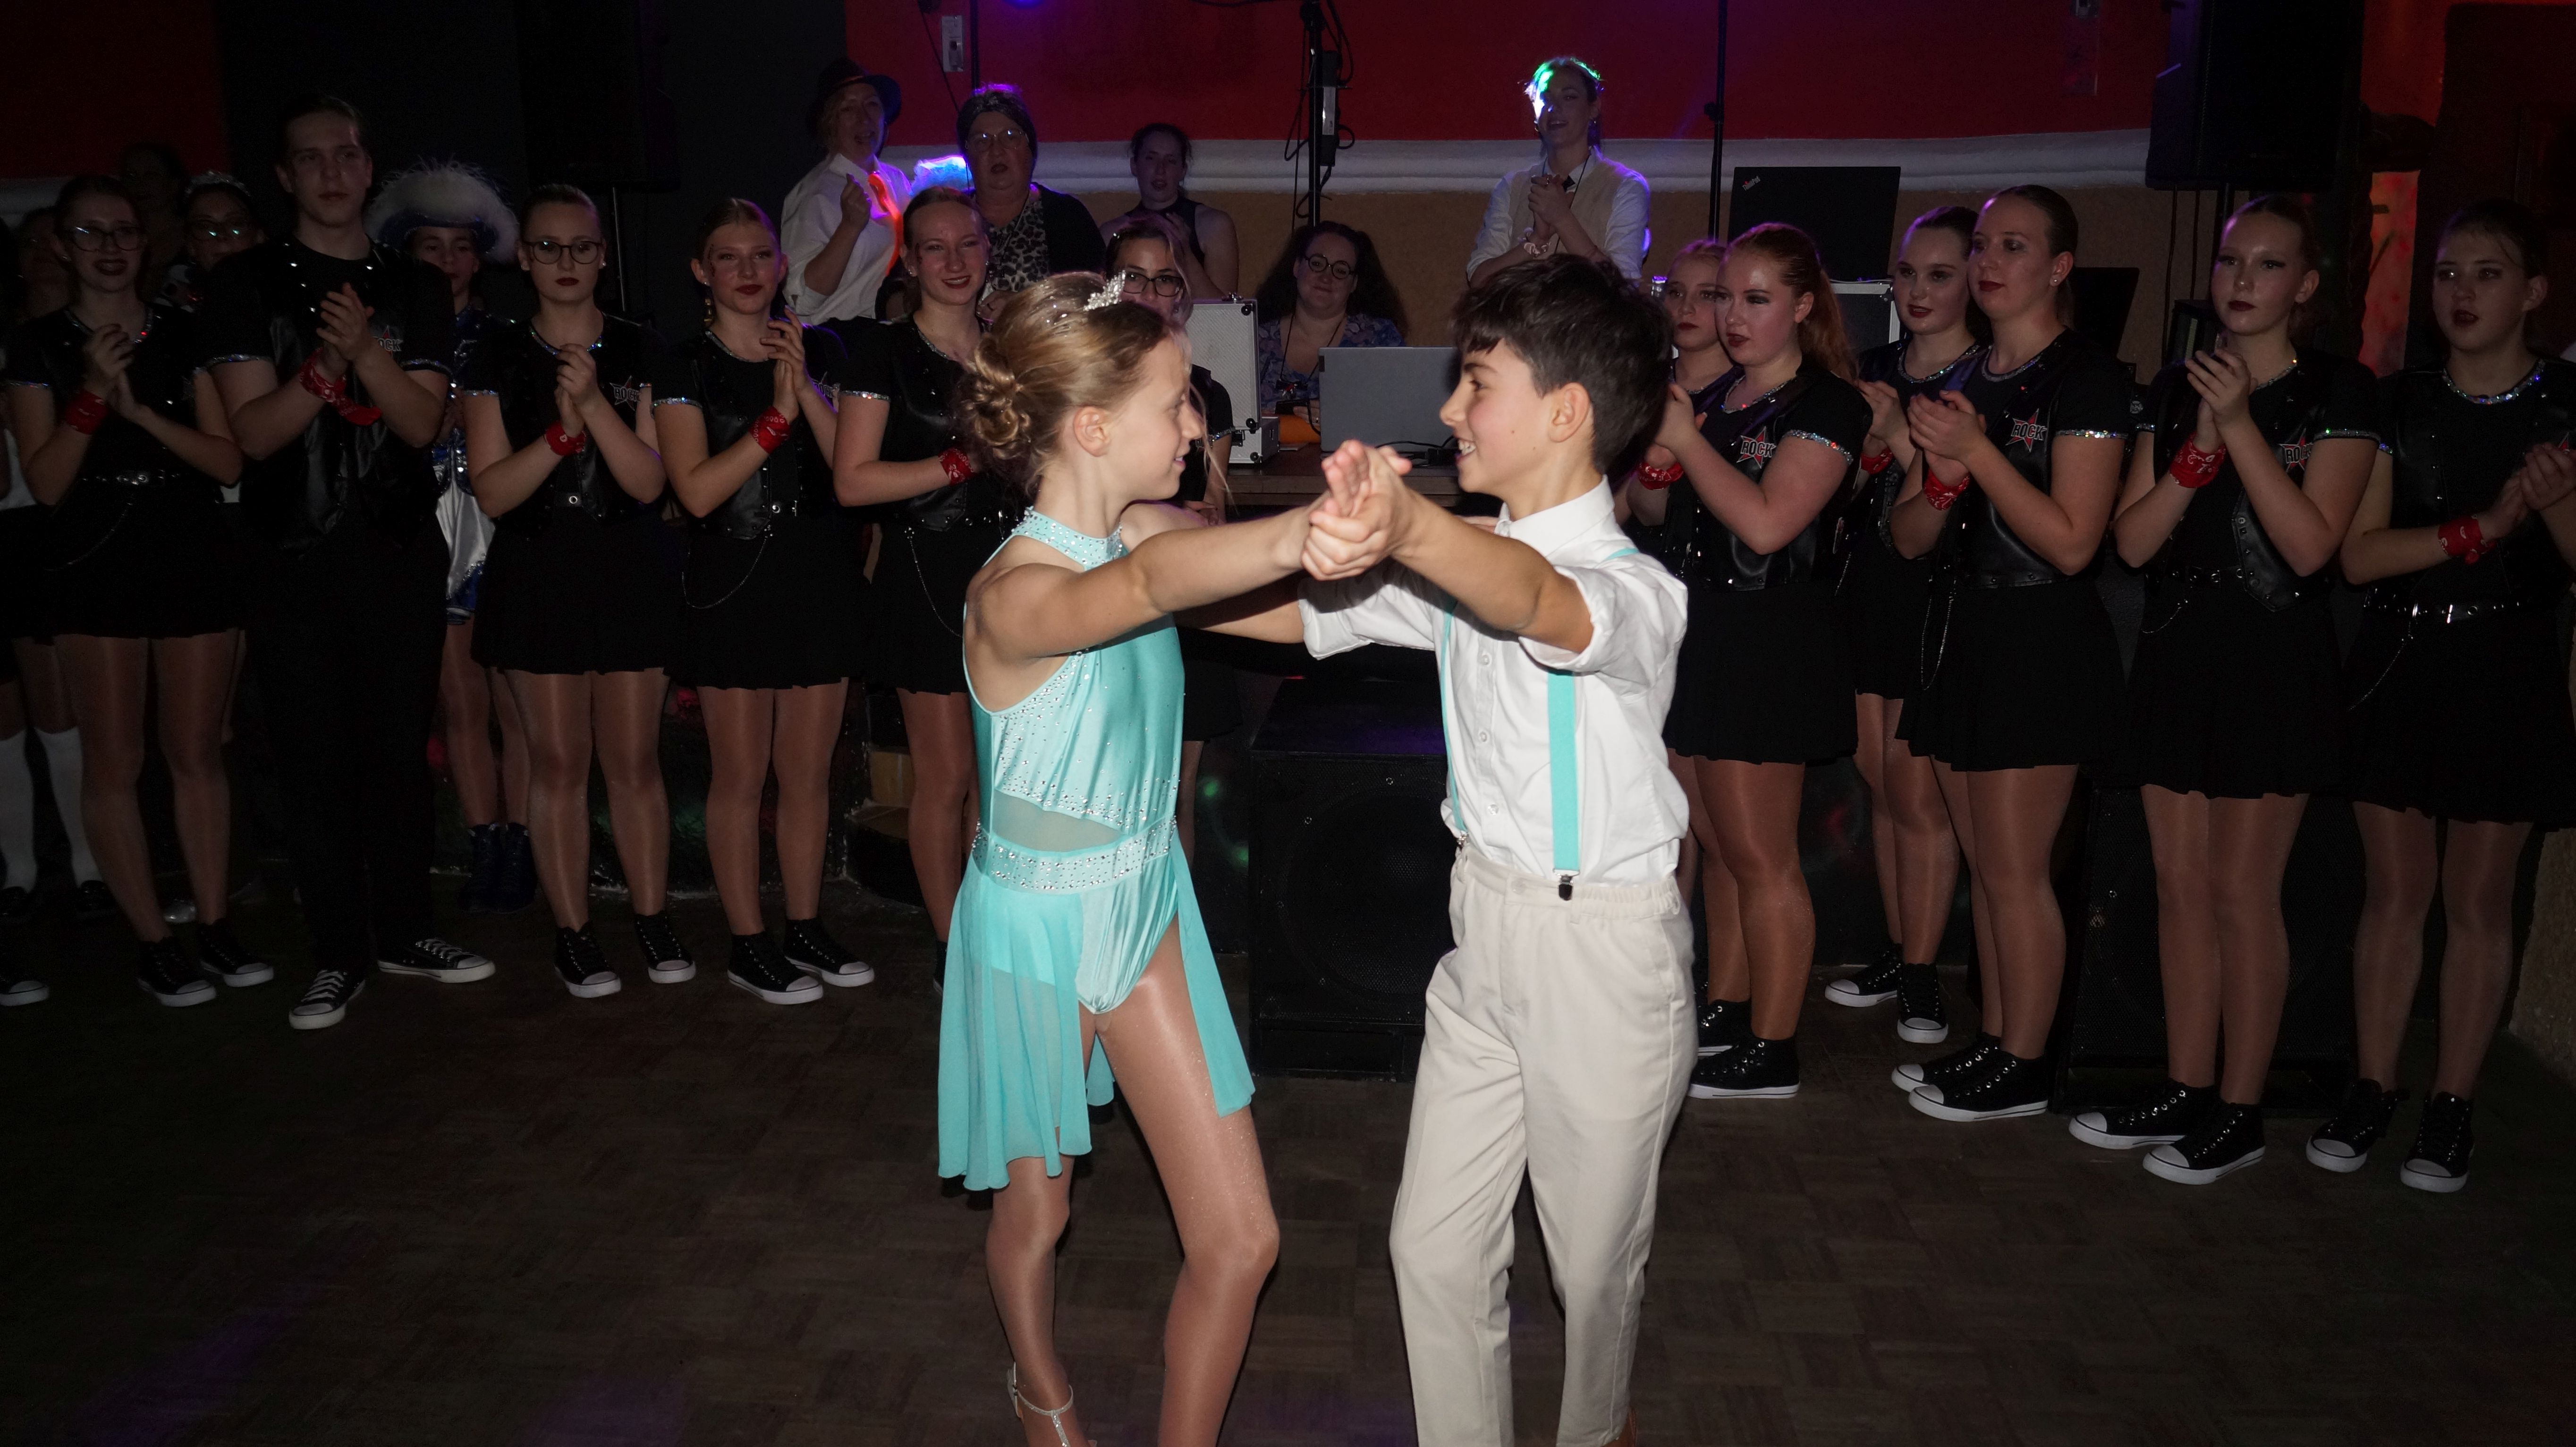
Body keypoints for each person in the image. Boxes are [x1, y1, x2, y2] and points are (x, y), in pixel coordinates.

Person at [1229, 255, 1686, 1447]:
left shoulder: (1633, 589)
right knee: (1431, 1249)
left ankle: (1599, 1429)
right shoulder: (1459, 562)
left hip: (1601, 952)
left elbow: (1537, 601)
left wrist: (1412, 526)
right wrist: (1126, 556)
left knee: (1592, 1271)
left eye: (1476, 382)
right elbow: (1288, 609)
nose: (1447, 410)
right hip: (1479, 931)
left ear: (1566, 411)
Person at [941, 270, 1363, 1447]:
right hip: (1033, 931)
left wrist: (1460, 588)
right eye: (1177, 401)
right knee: (1035, 1215)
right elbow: (1147, 587)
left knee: (1242, 1237)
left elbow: (1289, 611)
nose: (1196, 423)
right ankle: (1041, 1389)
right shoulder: (1015, 592)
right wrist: (1309, 527)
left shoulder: (1138, 529)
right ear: (1090, 427)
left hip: (1141, 905)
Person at [2077, 196, 2381, 1184]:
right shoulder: (2177, 385)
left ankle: (2240, 1108)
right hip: (2179, 648)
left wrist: (2241, 424)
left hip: (2272, 657)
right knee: (2178, 885)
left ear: (2306, 284)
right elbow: (2131, 540)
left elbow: (2311, 546)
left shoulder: (2338, 388)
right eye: (2229, 260)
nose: (2241, 280)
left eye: (2267, 264)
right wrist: (2200, 442)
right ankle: (2186, 1082)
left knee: (2244, 891)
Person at [202, 94, 496, 1030]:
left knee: (398, 751)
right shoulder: (244, 282)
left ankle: (406, 929)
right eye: (312, 157)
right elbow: (253, 435)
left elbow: (419, 422)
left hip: (396, 546)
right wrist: (326, 370)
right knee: (313, 757)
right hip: (290, 554)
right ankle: (338, 952)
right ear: (284, 176)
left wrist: (364, 347)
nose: (332, 171)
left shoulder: (413, 285)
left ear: (370, 169)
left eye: (348, 154)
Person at [2322, 199, 2576, 1193]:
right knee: (2393, 890)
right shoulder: (2399, 401)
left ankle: (2452, 1103)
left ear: (2534, 291)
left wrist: (2553, 505)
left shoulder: (2565, 405)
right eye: (2447, 273)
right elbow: (2359, 556)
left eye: (2487, 273)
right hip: (2399, 655)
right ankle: (2372, 1085)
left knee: (2477, 898)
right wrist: (2485, 524)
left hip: (2505, 663)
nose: (2461, 292)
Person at [1887, 186, 2133, 1121]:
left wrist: (1979, 457)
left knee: (2017, 867)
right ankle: (1998, 1039)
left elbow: (2073, 543)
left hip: (2040, 635)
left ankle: (2026, 1060)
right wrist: (1945, 482)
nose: (1990, 262)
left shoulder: (2086, 378)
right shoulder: (1963, 379)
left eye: (2014, 246)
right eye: (1984, 244)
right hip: (1963, 627)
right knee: (1987, 864)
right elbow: (1909, 536)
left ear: (2060, 267)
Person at [5, 174, 263, 1005]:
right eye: (89, 233)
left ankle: (215, 924)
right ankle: (153, 941)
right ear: (61, 245)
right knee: (115, 759)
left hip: (190, 548)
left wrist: (145, 413)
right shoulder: (38, 345)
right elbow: (46, 484)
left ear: (145, 242)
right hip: (95, 563)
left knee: (196, 751)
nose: (110, 247)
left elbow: (227, 459)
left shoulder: (186, 333)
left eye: (122, 230)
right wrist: (89, 396)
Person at [1623, 228, 1868, 1101]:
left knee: (1762, 856)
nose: (1731, 314)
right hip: (1703, 630)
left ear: (1803, 306)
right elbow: (1658, 512)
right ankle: (1727, 1008)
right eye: (1725, 296)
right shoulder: (1718, 395)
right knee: (1722, 849)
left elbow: (1768, 525)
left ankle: (1775, 1044)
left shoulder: (1830, 404)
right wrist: (1654, 459)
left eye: (1755, 298)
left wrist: (1685, 444)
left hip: (1772, 638)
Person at [460, 183, 687, 998]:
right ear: (523, 257)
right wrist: (561, 435)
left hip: (628, 566)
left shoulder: (640, 346)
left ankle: (652, 917)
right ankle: (573, 931)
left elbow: (649, 481)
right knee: (557, 761)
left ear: (602, 255)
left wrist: (593, 404)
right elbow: (493, 492)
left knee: (633, 759)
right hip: (538, 569)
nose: (567, 261)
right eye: (549, 247)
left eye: (582, 247)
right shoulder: (494, 352)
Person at [654, 198, 869, 1004]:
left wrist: (803, 386)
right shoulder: (684, 365)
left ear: (782, 266)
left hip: (817, 575)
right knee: (741, 776)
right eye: (728, 256)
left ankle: (803, 925)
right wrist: (773, 421)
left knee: (808, 773)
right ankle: (748, 942)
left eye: (760, 255)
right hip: (733, 581)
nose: (747, 271)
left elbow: (851, 468)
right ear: (701, 272)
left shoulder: (824, 347)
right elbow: (696, 492)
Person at [834, 187, 1012, 987]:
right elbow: (852, 481)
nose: (954, 261)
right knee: (946, 779)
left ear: (987, 250)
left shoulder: (1009, 348)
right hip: (925, 575)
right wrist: (956, 463)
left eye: (967, 244)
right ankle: (953, 945)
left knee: (999, 784)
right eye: (935, 247)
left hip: (1014, 575)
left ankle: (989, 932)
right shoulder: (881, 351)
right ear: (909, 261)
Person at [1829, 207, 1983, 1037]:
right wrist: (1873, 449)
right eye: (1907, 273)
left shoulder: (1984, 375)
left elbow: (1979, 501)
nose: (1918, 290)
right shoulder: (1874, 367)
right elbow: (1842, 490)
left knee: (1918, 792)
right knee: (1881, 778)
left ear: (1972, 281)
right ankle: (1899, 949)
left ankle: (1924, 970)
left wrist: (1902, 438)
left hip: (1940, 587)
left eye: (1939, 274)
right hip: (1870, 581)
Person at [367, 162, 535, 916]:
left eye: (461, 246)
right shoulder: (389, 340)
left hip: (506, 521)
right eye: (430, 246)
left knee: (517, 701)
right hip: (429, 522)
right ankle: (486, 842)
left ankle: (525, 843)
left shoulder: (511, 341)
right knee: (461, 700)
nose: (447, 260)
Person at [1107, 224, 1239, 860]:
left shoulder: (1208, 394)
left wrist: (1179, 520)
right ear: (1108, 285)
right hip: (1104, 597)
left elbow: (1212, 512)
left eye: (1164, 279)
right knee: (1114, 786)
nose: (1148, 292)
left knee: (1175, 793)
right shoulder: (1083, 385)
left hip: (1182, 600)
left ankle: (1177, 920)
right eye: (1133, 275)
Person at [6, 203, 113, 929]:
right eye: (35, 241)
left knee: (68, 708)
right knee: (11, 712)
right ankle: (17, 873)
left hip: (78, 525)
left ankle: (90, 867)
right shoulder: (16, 344)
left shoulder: (102, 334)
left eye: (61, 237)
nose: (48, 252)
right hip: (13, 525)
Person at [1466, 57, 1650, 286]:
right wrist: (1536, 241)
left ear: (1593, 109)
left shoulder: (1626, 187)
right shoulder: (1513, 187)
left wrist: (1563, 219)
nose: (1554, 108)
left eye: (1569, 97)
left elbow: (1623, 286)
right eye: (1545, 98)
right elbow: (1480, 281)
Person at [781, 58, 912, 330]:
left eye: (872, 104)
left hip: (889, 337)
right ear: (830, 124)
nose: (864, 118)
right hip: (839, 340)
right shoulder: (815, 195)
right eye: (848, 109)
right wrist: (849, 228)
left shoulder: (897, 181)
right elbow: (801, 300)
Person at [957, 85, 1104, 315]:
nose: (997, 151)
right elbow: (910, 295)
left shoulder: (1067, 216)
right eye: (982, 141)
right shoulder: (950, 214)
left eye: (1010, 137)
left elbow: (1097, 298)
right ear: (967, 155)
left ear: (1030, 149)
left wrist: (1025, 307)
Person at [1251, 221, 1407, 420]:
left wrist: (1341, 422)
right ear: (1297, 267)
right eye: (1317, 264)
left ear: (1354, 284)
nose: (1326, 277)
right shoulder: (1255, 338)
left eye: (1341, 271)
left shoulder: (1378, 340)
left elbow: (1400, 416)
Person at [1096, 124, 1240, 298]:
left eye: (1171, 161)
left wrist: (1185, 255)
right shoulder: (1111, 233)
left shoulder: (1213, 225)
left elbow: (1225, 310)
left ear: (1183, 170)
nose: (1161, 170)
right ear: (1135, 165)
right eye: (1151, 159)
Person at [170, 176, 265, 313]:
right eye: (205, 226)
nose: (221, 235)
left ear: (259, 236)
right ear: (190, 244)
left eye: (235, 223)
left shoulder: (288, 302)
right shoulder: (179, 318)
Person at [119, 142, 190, 303]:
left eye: (151, 175)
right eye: (131, 176)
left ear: (174, 184)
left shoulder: (195, 236)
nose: (139, 184)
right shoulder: (116, 239)